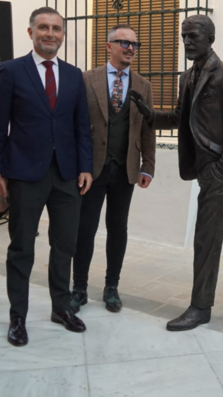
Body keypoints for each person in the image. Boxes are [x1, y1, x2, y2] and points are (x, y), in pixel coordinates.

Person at [131, 15, 223, 331]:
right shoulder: (188, 78)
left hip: (219, 171)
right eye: (183, 36)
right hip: (205, 169)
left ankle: (201, 306)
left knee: (205, 237)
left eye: (193, 36)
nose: (186, 41)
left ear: (210, 38)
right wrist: (149, 115)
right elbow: (179, 118)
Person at [0, 7, 93, 346]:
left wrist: (85, 166)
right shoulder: (10, 71)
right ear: (30, 31)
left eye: (56, 29)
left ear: (63, 34)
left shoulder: (74, 75)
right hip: (24, 173)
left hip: (66, 174)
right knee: (22, 247)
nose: (50, 34)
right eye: (43, 28)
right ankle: (17, 317)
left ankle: (61, 307)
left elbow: (81, 127)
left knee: (64, 245)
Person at [70, 24, 156, 313]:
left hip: (126, 168)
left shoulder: (143, 85)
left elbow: (147, 128)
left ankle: (111, 287)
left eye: (134, 44)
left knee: (118, 228)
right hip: (91, 170)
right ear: (109, 46)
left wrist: (149, 165)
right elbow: (76, 124)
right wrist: (77, 164)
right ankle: (79, 288)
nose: (130, 48)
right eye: (124, 43)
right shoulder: (86, 79)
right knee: (85, 228)